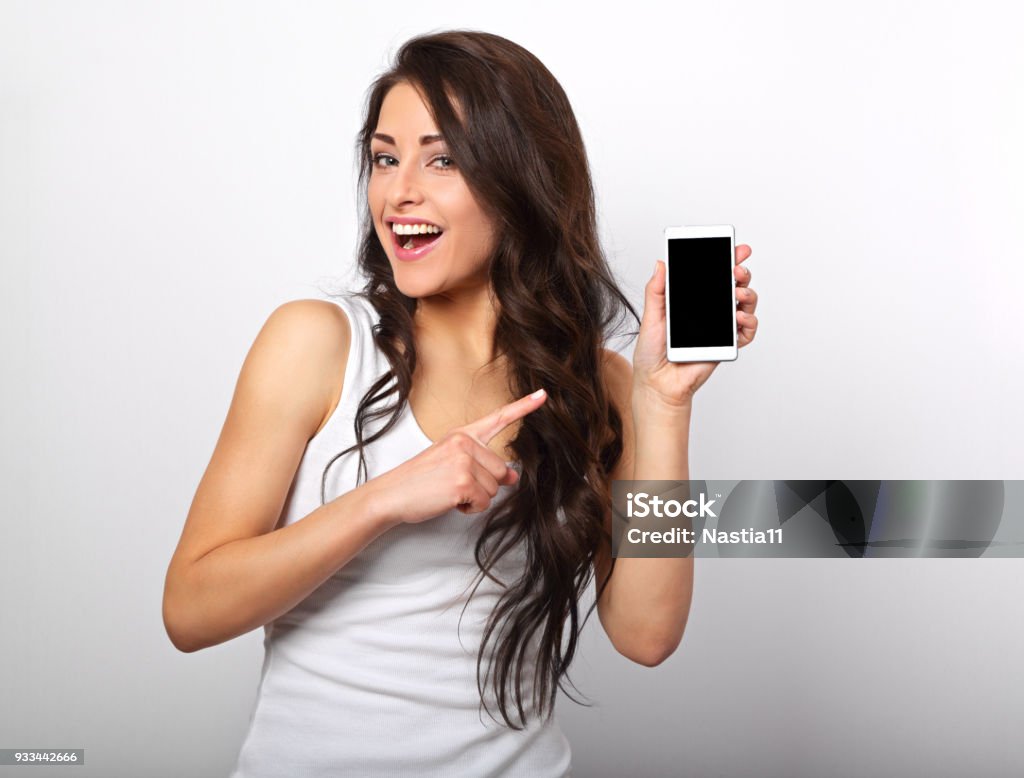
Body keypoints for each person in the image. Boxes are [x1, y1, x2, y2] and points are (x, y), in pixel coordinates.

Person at [162, 29, 758, 777]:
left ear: (521, 181)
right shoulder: (316, 343)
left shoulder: (597, 384)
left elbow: (647, 634)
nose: (398, 190)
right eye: (385, 158)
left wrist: (664, 408)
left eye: (441, 159)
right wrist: (384, 499)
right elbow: (188, 610)